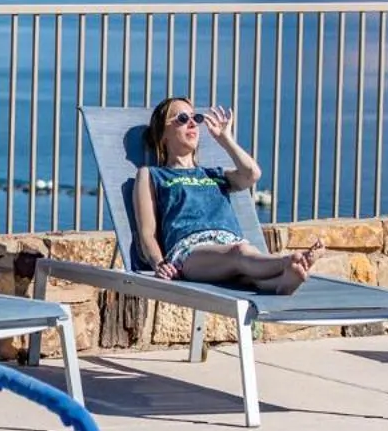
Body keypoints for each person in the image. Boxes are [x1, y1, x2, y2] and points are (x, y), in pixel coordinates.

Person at [132, 97, 319, 294]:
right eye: (183, 118)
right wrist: (159, 263)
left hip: (230, 244)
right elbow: (147, 232)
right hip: (190, 252)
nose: (193, 122)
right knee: (240, 254)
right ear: (163, 133)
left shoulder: (214, 174)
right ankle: (290, 261)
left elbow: (252, 174)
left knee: (248, 273)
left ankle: (285, 282)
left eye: (195, 117)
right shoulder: (152, 175)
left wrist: (225, 139)